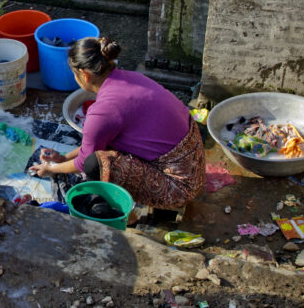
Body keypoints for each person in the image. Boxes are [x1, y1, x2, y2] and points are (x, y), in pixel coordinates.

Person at [30, 37, 205, 210]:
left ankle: (124, 212)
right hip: (194, 165)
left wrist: (53, 168)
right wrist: (63, 158)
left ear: (84, 75)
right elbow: (95, 142)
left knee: (97, 163)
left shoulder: (103, 111)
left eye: (75, 74)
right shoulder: (133, 78)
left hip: (178, 188)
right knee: (104, 149)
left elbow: (85, 161)